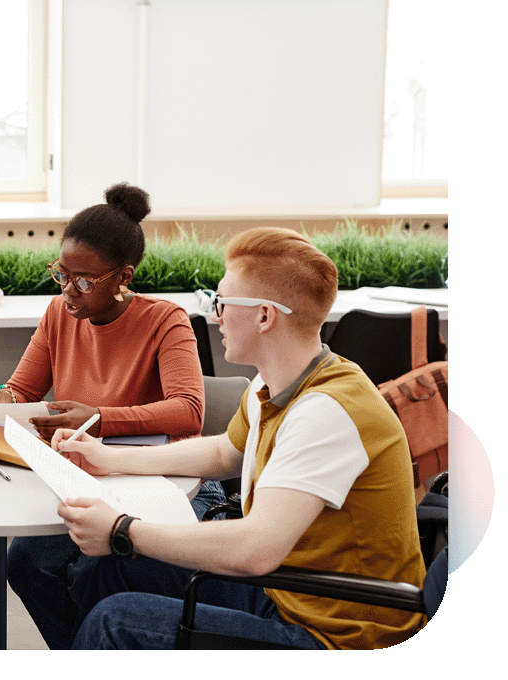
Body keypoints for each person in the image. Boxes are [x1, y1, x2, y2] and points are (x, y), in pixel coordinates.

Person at [57, 227, 426, 649]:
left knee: (116, 622)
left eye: (221, 302)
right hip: (287, 591)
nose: (215, 316)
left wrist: (123, 529)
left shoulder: (327, 412)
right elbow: (222, 452)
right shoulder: (276, 381)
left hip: (336, 634)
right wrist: (107, 457)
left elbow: (255, 550)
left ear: (264, 315)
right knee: (107, 568)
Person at [0, 182, 218, 649]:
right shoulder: (58, 314)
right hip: (82, 479)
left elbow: (189, 413)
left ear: (122, 276)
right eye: (62, 274)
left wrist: (97, 417)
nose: (68, 291)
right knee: (25, 564)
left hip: (156, 483)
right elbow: (21, 391)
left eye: (83, 281)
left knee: (97, 569)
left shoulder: (165, 320)